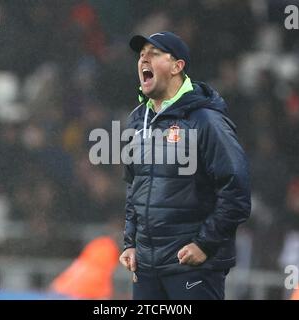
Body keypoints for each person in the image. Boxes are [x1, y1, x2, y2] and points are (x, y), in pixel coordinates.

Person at [119, 31, 251, 300]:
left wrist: (205, 244)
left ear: (177, 66)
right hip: (146, 268)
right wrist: (131, 243)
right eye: (141, 54)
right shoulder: (137, 121)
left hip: (191, 267)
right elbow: (135, 188)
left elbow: (237, 191)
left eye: (154, 54)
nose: (143, 58)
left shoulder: (206, 121)